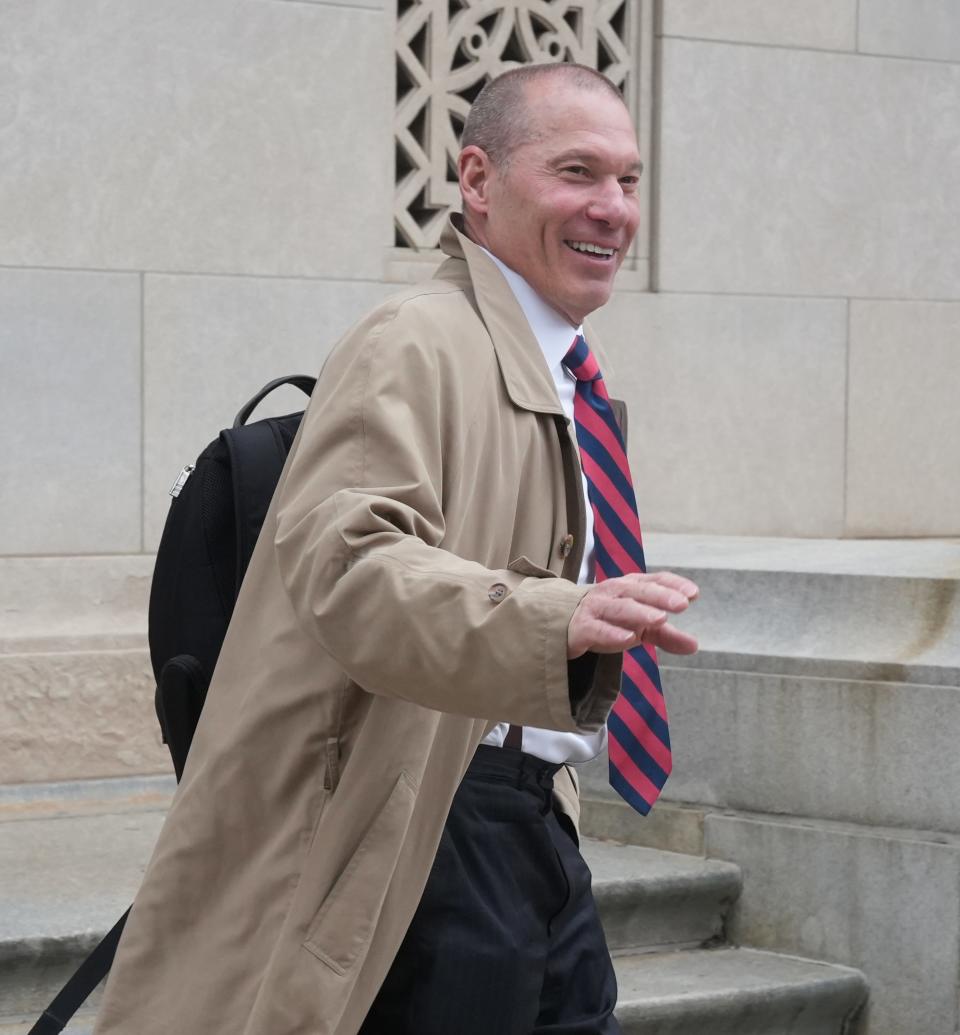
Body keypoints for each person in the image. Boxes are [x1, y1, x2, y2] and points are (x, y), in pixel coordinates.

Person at [92, 62, 698, 1035]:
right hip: (443, 825)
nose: (613, 208)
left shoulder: (564, 374)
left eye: (628, 180)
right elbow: (354, 565)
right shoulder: (415, 341)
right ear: (476, 180)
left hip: (534, 820)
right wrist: (556, 617)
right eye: (578, 171)